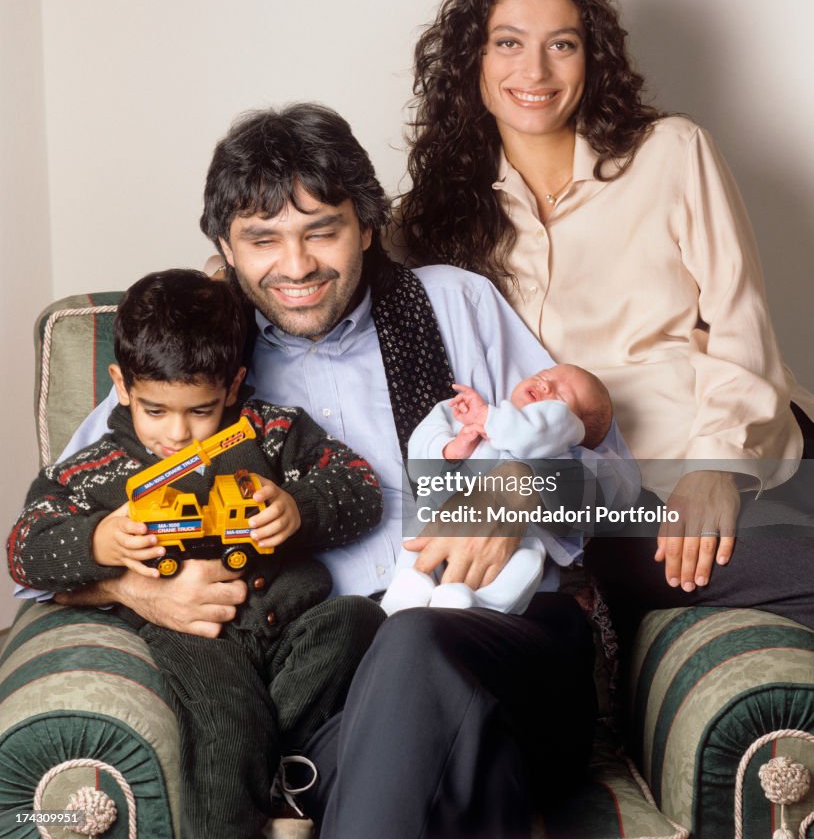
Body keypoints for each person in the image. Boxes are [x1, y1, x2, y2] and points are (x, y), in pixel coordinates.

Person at [55, 103, 638, 838]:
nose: (295, 266)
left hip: (510, 652)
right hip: (330, 694)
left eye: (321, 231)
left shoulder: (457, 304)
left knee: (412, 641)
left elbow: (623, 486)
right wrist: (135, 587)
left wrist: (516, 491)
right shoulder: (194, 363)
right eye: (262, 239)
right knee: (444, 746)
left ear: (366, 225)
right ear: (226, 250)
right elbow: (40, 547)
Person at [397, 0, 814, 638]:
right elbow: (326, 255)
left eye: (561, 44)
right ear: (474, 58)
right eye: (507, 42)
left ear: (593, 58)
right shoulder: (436, 215)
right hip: (611, 491)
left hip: (738, 444)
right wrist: (225, 275)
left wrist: (717, 470)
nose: (534, 70)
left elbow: (742, 328)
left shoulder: (673, 153)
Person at [8, 269, 385, 839]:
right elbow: (24, 550)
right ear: (122, 384)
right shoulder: (99, 467)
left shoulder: (272, 433)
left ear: (233, 387)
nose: (177, 434)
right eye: (156, 411)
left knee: (360, 621)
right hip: (199, 638)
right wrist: (97, 541)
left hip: (295, 625)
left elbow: (361, 488)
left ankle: (279, 774)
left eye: (201, 410)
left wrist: (298, 507)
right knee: (225, 718)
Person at [382, 364, 612, 615]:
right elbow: (419, 459)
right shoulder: (463, 413)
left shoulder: (561, 454)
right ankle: (409, 588)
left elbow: (538, 432)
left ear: (573, 433)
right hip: (441, 514)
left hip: (514, 543)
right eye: (542, 376)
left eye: (561, 397)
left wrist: (489, 418)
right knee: (416, 537)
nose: (546, 385)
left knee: (528, 563)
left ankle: (480, 604)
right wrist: (450, 449)